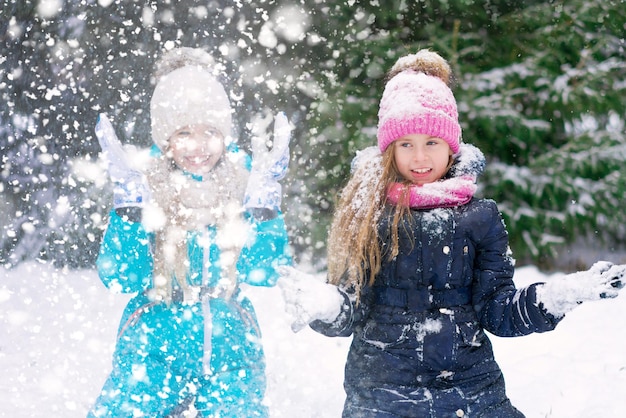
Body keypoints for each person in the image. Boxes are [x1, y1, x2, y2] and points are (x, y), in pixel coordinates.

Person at [278, 49, 626, 417]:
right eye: (405, 144)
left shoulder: (480, 217)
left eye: (431, 142)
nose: (419, 157)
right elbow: (351, 310)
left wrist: (559, 295)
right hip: (383, 397)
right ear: (389, 150)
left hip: (471, 394)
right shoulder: (368, 214)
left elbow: (499, 311)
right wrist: (325, 305)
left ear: (450, 146)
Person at [88, 47, 292, 417]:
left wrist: (265, 213)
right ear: (166, 139)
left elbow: (265, 272)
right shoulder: (145, 187)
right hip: (153, 347)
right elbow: (120, 277)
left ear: (224, 135)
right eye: (183, 132)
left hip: (231, 349)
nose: (198, 146)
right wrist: (130, 215)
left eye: (209, 132)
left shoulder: (244, 187)